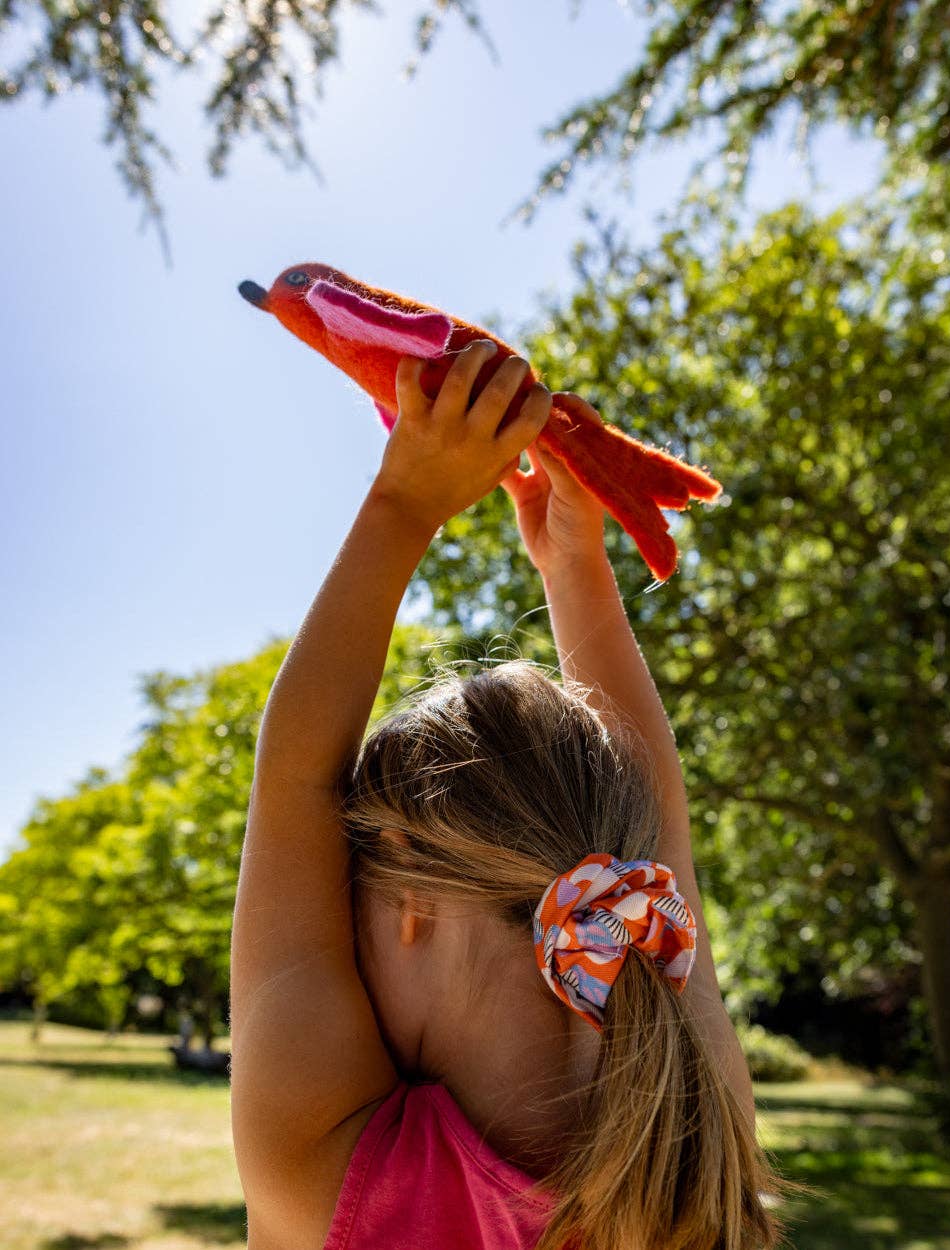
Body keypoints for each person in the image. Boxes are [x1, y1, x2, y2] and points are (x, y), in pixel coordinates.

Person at [229, 341, 809, 1250]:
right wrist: (544, 554)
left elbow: (297, 787)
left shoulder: (338, 1177)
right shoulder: (699, 1153)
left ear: (412, 894)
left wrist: (412, 500)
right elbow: (659, 831)